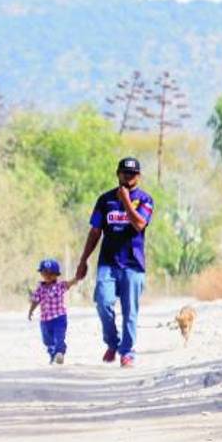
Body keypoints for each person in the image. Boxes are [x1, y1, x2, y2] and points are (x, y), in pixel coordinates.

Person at [74, 157, 155, 367]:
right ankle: (112, 342)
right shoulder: (105, 200)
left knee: (130, 311)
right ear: (118, 173)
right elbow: (95, 232)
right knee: (102, 302)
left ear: (139, 176)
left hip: (133, 264)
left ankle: (127, 352)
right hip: (108, 262)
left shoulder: (145, 200)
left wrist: (126, 200)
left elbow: (139, 224)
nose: (128, 177)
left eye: (133, 174)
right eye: (125, 173)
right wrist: (83, 260)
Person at [28, 258, 80, 364]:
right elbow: (35, 301)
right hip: (45, 320)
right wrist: (31, 310)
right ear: (41, 274)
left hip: (59, 318)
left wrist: (77, 278)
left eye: (51, 274)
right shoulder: (40, 288)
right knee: (47, 340)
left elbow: (70, 283)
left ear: (56, 275)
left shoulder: (60, 286)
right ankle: (52, 355)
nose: (48, 276)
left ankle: (60, 353)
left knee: (59, 337)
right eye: (45, 273)